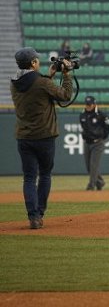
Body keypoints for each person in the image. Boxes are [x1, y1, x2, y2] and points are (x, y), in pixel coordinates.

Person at [10, 47, 73, 229]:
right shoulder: (42, 82)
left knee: (29, 178)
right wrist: (67, 75)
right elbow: (65, 95)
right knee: (45, 175)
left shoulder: (14, 83)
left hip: (24, 137)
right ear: (33, 63)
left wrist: (49, 75)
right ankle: (40, 212)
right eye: (36, 59)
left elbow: (35, 88)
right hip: (44, 136)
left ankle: (33, 216)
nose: (38, 61)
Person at [80, 96, 109, 191]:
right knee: (88, 166)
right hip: (87, 142)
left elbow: (108, 127)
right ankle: (100, 182)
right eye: (86, 104)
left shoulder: (101, 115)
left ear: (94, 104)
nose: (88, 106)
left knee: (94, 165)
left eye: (90, 104)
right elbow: (83, 127)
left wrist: (102, 138)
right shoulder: (82, 114)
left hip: (98, 143)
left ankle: (91, 185)